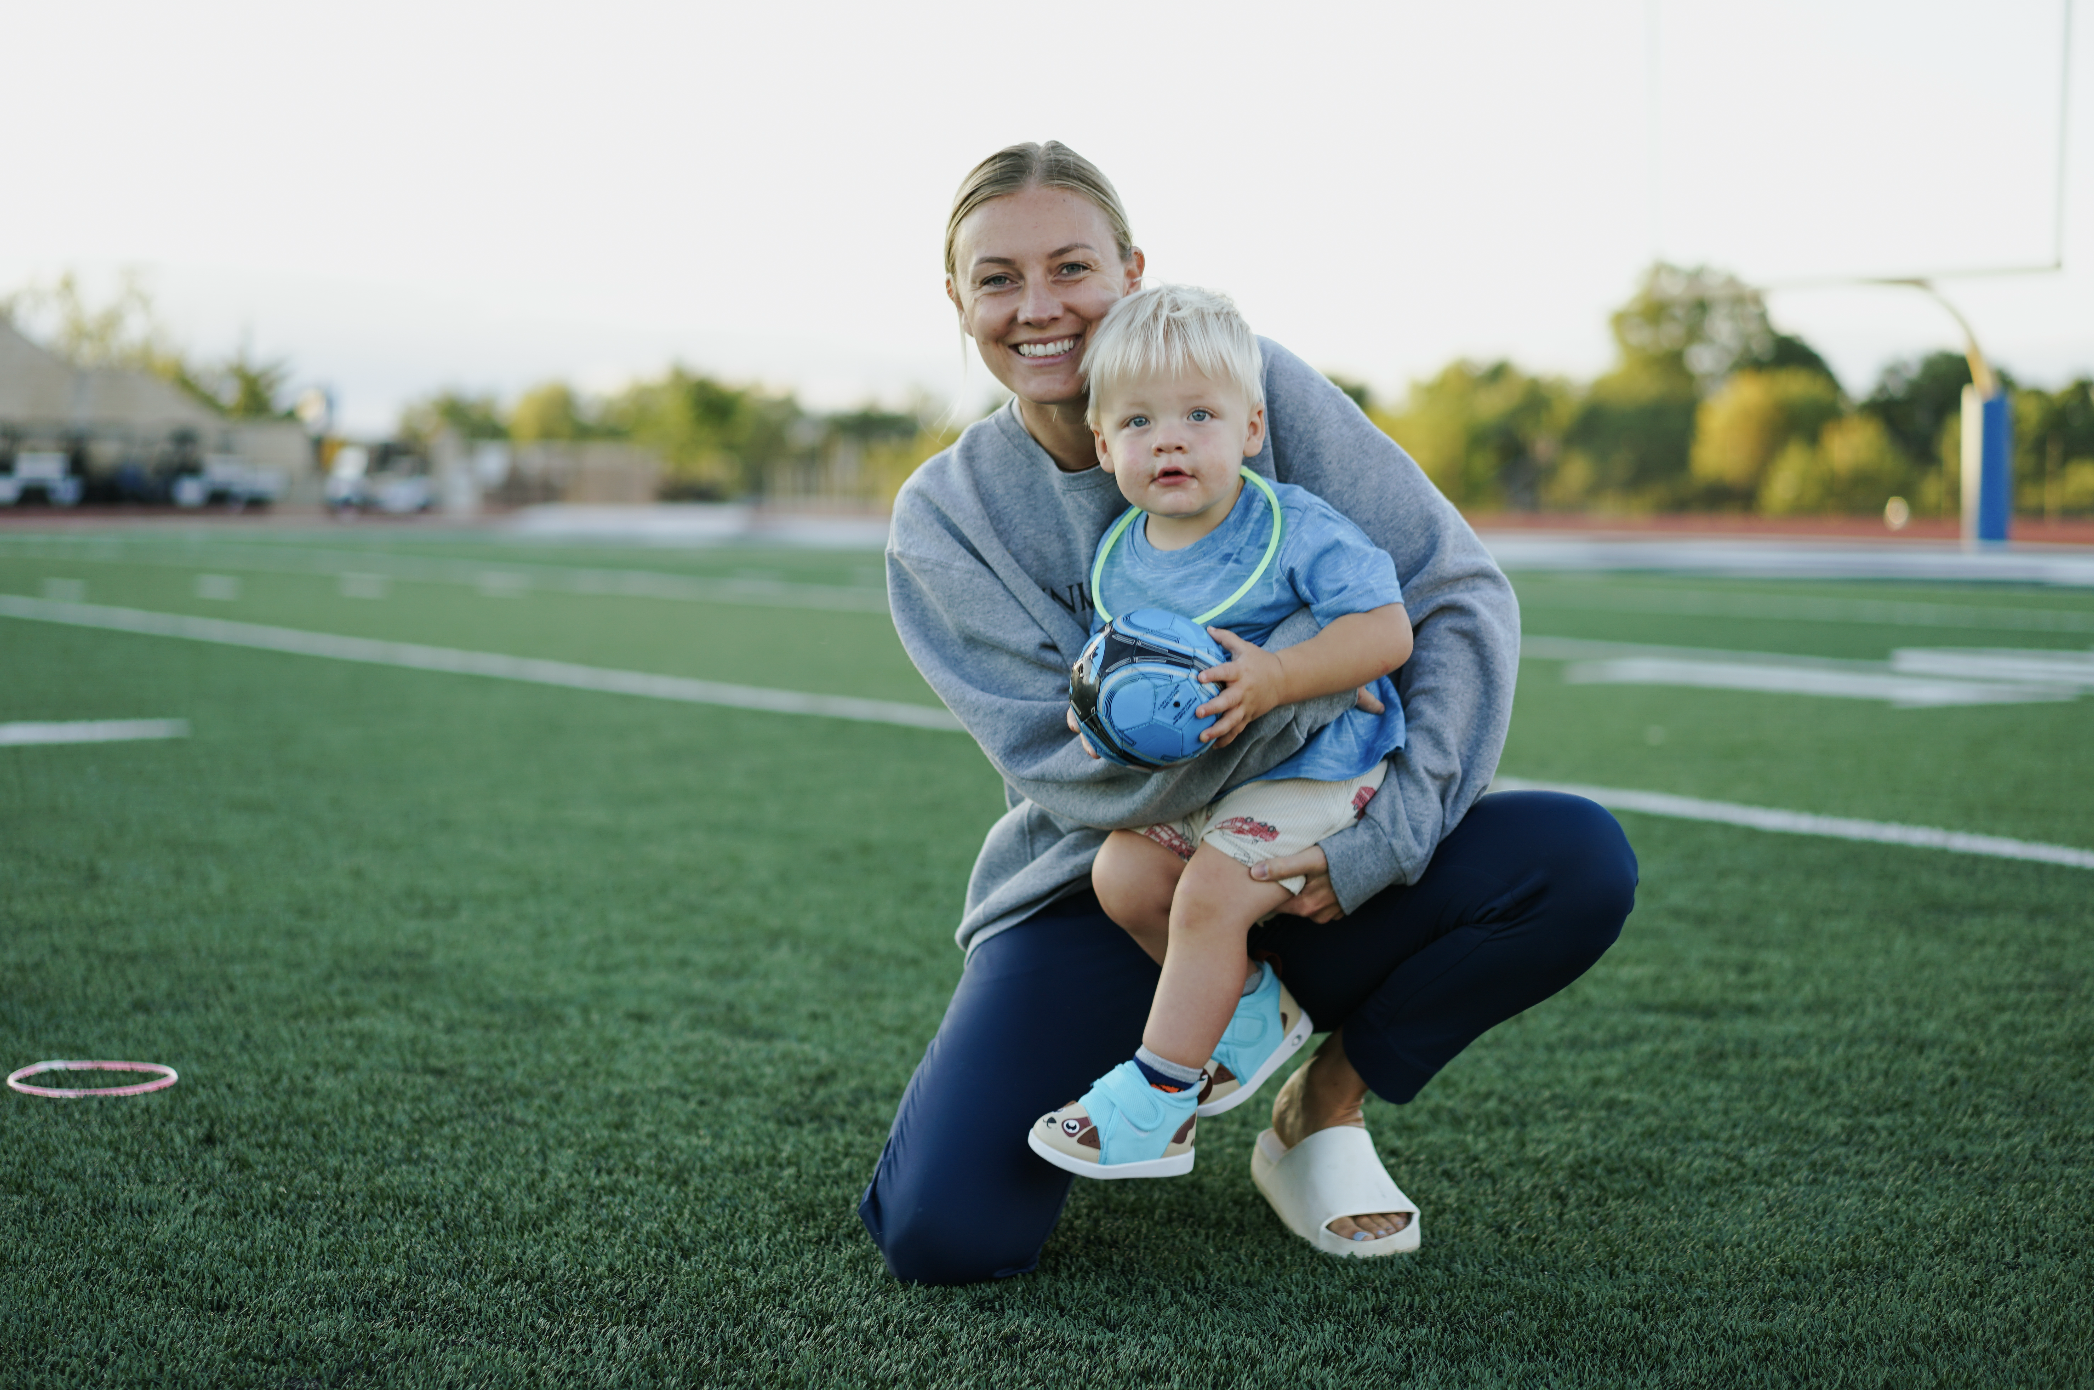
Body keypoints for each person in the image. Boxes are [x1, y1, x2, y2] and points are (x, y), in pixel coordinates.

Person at [862, 140, 1637, 1279]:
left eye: (1071, 267)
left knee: (1573, 860)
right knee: (944, 1235)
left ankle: (1320, 1109)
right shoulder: (948, 515)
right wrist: (1286, 698)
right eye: (998, 280)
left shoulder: (1243, 383)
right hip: (1109, 882)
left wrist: (1383, 834)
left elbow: (1453, 595)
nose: (1039, 308)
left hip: (1323, 843)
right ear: (956, 301)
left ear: (1131, 271)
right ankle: (1216, 1023)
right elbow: (1064, 765)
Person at [1027, 283, 1415, 1180]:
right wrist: (1103, 719)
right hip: (1215, 784)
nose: (1168, 439)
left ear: (1251, 428)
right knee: (1122, 874)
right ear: (1103, 446)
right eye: (1138, 422)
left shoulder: (1292, 526)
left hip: (1322, 768)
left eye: (1199, 415)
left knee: (1208, 894)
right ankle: (1249, 1008)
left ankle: (1158, 1104)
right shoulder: (1120, 556)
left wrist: (1278, 675)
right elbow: (1126, 672)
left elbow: (1386, 631)